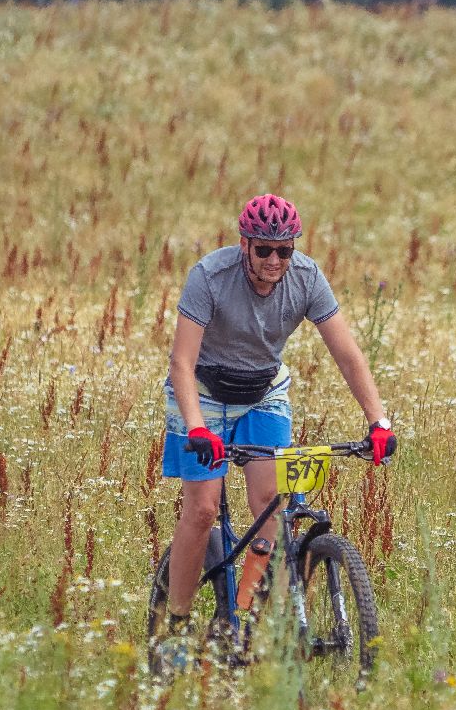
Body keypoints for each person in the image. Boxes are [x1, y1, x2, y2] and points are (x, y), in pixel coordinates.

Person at [157, 193, 394, 664]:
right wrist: (199, 428)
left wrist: (378, 420)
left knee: (270, 503)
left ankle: (243, 617)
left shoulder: (306, 278)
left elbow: (348, 355)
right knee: (203, 509)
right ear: (244, 244)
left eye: (283, 250)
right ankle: (174, 629)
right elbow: (182, 362)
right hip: (204, 392)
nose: (273, 260)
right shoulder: (210, 276)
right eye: (263, 249)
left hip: (263, 391)